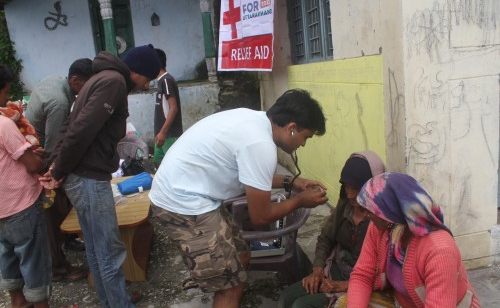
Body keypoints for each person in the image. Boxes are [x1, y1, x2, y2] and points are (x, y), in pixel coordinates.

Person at [149, 89, 328, 308]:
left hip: (189, 192)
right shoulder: (260, 144)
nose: (303, 144)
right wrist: (301, 200)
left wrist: (292, 182)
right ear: (292, 128)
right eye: (305, 137)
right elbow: (261, 216)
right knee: (228, 287)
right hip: (183, 203)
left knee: (241, 253)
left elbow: (253, 175)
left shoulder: (256, 121)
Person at [40, 44, 161, 307]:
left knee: (96, 248)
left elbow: (69, 126)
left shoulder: (99, 78)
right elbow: (81, 129)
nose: (144, 86)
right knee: (109, 251)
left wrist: (56, 165)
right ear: (137, 71)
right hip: (89, 178)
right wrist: (58, 169)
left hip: (82, 175)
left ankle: (113, 301)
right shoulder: (115, 82)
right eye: (147, 79)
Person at [340, 172, 480, 308]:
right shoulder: (379, 229)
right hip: (402, 302)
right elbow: (362, 275)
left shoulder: (440, 250)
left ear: (390, 209)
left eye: (371, 210)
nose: (367, 215)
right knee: (346, 303)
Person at [279, 151, 386, 308]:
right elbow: (326, 238)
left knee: (302, 305)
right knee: (286, 297)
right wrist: (317, 270)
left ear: (371, 187)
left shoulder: (381, 219)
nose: (349, 194)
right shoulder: (346, 203)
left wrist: (341, 285)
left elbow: (380, 274)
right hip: (336, 268)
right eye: (346, 187)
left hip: (360, 282)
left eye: (355, 188)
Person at [25, 58, 93, 282]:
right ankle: (58, 268)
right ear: (74, 81)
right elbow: (54, 150)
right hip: (37, 161)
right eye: (86, 86)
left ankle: (68, 239)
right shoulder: (60, 103)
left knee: (62, 206)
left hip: (33, 149)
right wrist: (54, 176)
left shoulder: (56, 79)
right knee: (51, 214)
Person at [0, 64, 51, 308]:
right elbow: (32, 164)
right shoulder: (4, 125)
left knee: (7, 259)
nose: (7, 98)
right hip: (20, 206)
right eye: (6, 91)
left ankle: (18, 303)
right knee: (33, 262)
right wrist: (40, 159)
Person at [153, 48, 183, 168]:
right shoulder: (161, 81)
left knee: (171, 167)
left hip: (169, 135)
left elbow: (173, 108)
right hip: (161, 135)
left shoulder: (166, 81)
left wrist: (163, 132)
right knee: (158, 164)